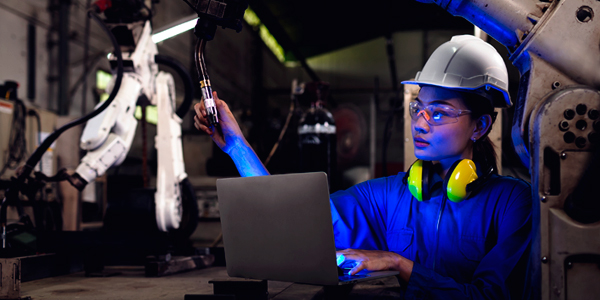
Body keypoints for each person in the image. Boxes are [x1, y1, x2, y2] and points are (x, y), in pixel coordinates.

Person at [194, 35, 531, 299]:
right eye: (418, 108)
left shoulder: (513, 203)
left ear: (480, 126)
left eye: (439, 112)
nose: (420, 123)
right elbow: (293, 223)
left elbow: (491, 296)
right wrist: (237, 146)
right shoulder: (386, 195)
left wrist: (400, 265)